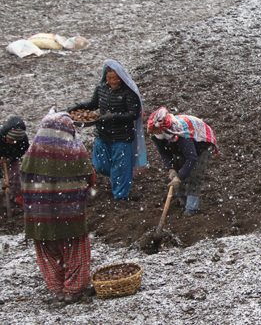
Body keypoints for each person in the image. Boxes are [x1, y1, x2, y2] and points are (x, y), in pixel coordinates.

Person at [20, 111, 95, 304]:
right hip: (69, 214)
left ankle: (57, 288)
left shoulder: (31, 154)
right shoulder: (75, 151)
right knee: (74, 249)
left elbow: (22, 184)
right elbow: (90, 177)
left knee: (47, 251)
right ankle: (73, 288)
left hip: (39, 216)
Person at [68, 60, 146, 200]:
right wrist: (77, 107)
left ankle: (121, 196)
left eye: (115, 78)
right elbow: (93, 104)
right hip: (103, 134)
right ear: (105, 77)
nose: (113, 81)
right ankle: (118, 176)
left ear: (121, 78)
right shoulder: (101, 88)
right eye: (110, 78)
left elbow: (134, 114)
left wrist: (114, 117)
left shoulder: (128, 93)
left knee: (121, 167)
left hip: (122, 136)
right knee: (100, 165)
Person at [147, 107, 217, 216]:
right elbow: (164, 153)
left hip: (201, 145)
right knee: (180, 171)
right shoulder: (157, 135)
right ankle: (183, 202)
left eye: (155, 130)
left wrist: (179, 177)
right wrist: (171, 169)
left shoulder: (181, 134)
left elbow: (192, 157)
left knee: (194, 175)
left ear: (163, 129)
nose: (153, 132)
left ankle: (192, 208)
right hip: (180, 148)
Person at [0, 115, 29, 210]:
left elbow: (22, 150)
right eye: (11, 140)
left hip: (12, 158)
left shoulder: (22, 140)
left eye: (15, 141)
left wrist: (11, 158)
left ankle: (13, 198)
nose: (13, 142)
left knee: (15, 176)